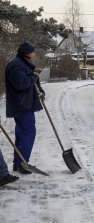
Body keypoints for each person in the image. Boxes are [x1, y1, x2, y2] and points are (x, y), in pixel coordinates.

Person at [5, 41, 45, 174]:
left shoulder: (24, 64)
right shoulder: (16, 65)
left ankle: (19, 163)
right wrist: (34, 76)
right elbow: (21, 83)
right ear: (28, 53)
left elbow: (33, 81)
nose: (34, 54)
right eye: (33, 51)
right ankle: (22, 163)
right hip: (21, 105)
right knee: (28, 132)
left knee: (22, 133)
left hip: (25, 103)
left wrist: (40, 91)